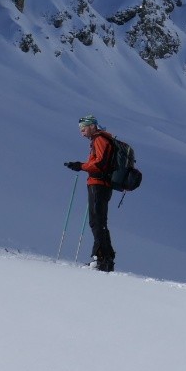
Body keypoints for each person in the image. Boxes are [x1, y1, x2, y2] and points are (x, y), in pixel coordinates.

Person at [64, 115, 117, 272]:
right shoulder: (101, 139)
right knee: (99, 221)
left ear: (92, 126)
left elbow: (99, 163)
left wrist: (81, 166)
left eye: (83, 128)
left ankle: (100, 259)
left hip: (98, 184)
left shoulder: (99, 139)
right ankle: (106, 258)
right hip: (102, 184)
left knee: (96, 222)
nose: (82, 132)